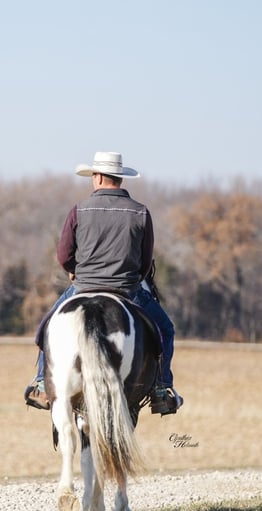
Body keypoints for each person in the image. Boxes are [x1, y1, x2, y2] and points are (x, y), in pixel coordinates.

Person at [24, 151, 182, 415]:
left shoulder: (79, 210)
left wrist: (73, 271)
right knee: (165, 329)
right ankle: (162, 388)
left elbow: (63, 254)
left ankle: (41, 383)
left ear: (97, 177)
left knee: (47, 327)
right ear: (119, 178)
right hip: (128, 289)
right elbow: (145, 262)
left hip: (83, 286)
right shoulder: (140, 212)